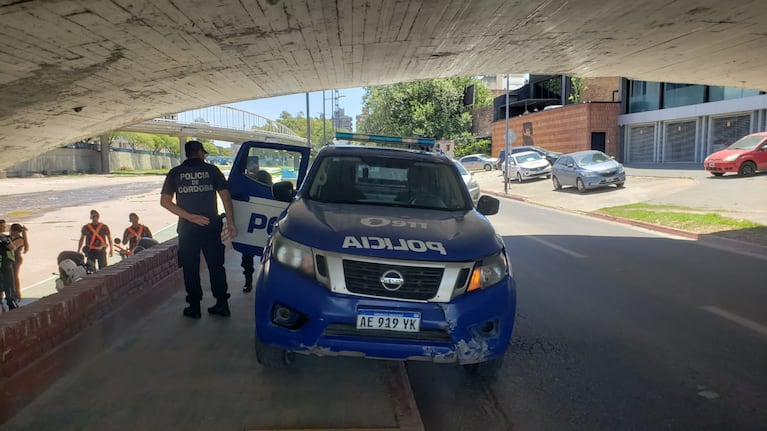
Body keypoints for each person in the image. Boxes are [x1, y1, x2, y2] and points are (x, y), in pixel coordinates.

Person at [161, 140, 237, 319]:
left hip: (188, 228)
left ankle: (194, 307)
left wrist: (190, 217)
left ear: (187, 153)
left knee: (190, 267)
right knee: (216, 266)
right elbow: (226, 198)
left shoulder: (175, 173)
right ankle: (222, 304)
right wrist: (231, 222)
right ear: (200, 152)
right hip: (210, 225)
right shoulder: (212, 171)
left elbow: (165, 202)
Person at [240, 166, 272, 293]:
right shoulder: (273, 195)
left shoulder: (250, 194)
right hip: (264, 232)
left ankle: (248, 283)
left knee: (247, 258)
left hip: (251, 232)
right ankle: (264, 284)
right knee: (267, 259)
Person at [0, 219, 21, 310]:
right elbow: (12, 248)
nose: (5, 227)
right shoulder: (4, 238)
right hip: (6, 262)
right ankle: (10, 301)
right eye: (3, 226)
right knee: (9, 283)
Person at [9, 223, 29, 300]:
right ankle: (15, 292)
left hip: (17, 259)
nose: (10, 232)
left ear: (16, 231)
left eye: (11, 231)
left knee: (15, 275)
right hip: (14, 258)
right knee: (13, 276)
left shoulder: (20, 240)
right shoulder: (14, 237)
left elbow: (11, 248)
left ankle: (17, 292)